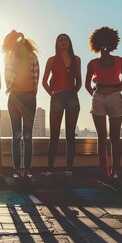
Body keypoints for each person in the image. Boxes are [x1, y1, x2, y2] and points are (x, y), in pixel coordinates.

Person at [85, 26, 122, 189]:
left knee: (115, 136)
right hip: (99, 98)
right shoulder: (92, 63)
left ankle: (115, 171)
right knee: (102, 137)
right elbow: (87, 84)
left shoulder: (120, 60)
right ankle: (104, 172)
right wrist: (95, 95)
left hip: (115, 98)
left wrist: (119, 88)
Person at [42, 34, 82, 178]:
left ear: (69, 42)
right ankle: (50, 169)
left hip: (72, 98)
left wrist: (73, 94)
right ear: (57, 43)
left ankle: (69, 168)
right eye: (60, 40)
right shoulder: (51, 60)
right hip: (57, 98)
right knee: (54, 134)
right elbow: (44, 82)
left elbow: (79, 82)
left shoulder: (76, 60)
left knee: (70, 135)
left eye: (65, 40)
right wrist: (53, 95)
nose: (63, 42)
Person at [2, 30, 40, 180]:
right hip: (15, 97)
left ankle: (27, 170)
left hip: (29, 97)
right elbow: (7, 77)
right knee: (16, 136)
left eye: (20, 38)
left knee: (28, 136)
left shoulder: (32, 57)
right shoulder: (9, 57)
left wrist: (31, 93)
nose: (18, 40)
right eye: (15, 39)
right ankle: (17, 170)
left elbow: (36, 78)